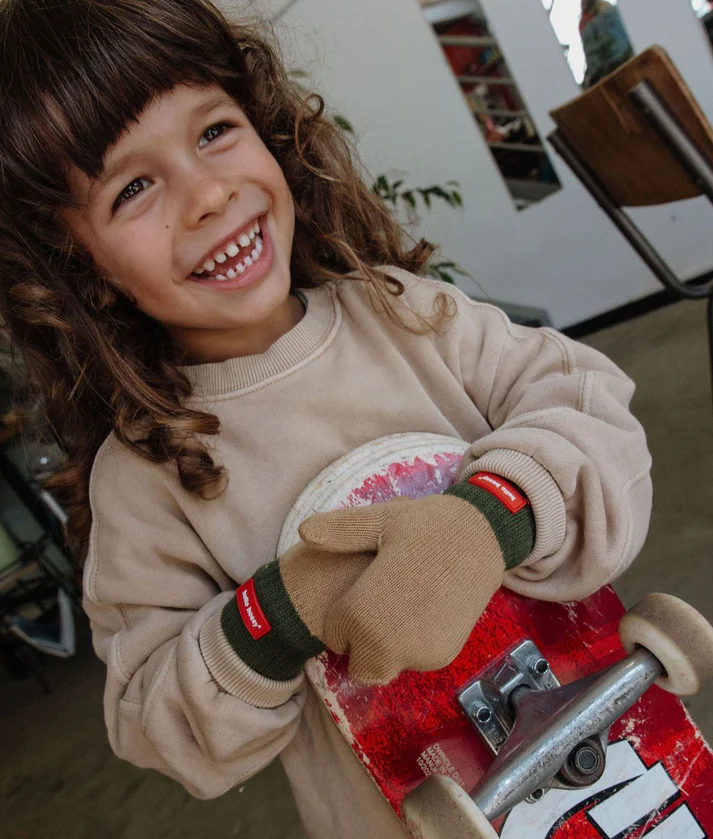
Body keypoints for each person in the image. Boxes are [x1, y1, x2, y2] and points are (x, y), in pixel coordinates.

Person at [0, 0, 652, 836]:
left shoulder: (405, 314)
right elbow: (156, 723)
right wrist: (281, 613)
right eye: (133, 188)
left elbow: (592, 409)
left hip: (628, 770)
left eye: (213, 131)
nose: (208, 194)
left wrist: (487, 522)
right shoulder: (143, 479)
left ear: (265, 124)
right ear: (77, 263)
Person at [580, 0, 635, 88]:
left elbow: (595, 65)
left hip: (614, 71)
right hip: (630, 62)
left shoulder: (588, 26)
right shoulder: (615, 11)